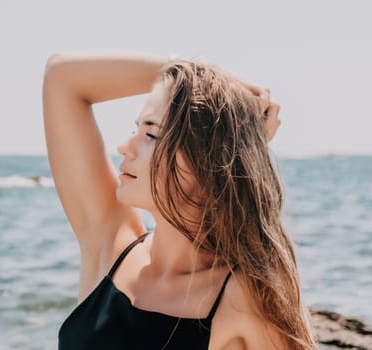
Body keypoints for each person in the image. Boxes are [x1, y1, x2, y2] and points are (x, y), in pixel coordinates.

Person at [42, 51, 316, 349]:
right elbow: (62, 77)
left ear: (208, 161)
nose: (124, 146)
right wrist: (203, 77)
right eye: (136, 129)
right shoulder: (112, 247)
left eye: (151, 134)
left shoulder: (242, 301)